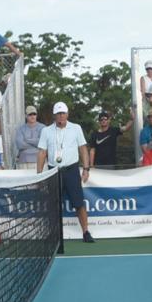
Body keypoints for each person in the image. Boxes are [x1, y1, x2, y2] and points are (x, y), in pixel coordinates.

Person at [36, 101, 93, 242]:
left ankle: (86, 232)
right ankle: (53, 234)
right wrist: (39, 175)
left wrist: (86, 168)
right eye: (58, 114)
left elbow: (83, 149)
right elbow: (42, 152)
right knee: (52, 205)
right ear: (54, 115)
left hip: (72, 170)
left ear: (67, 114)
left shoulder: (76, 128)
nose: (61, 116)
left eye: (63, 113)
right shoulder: (46, 131)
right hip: (53, 172)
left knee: (79, 203)